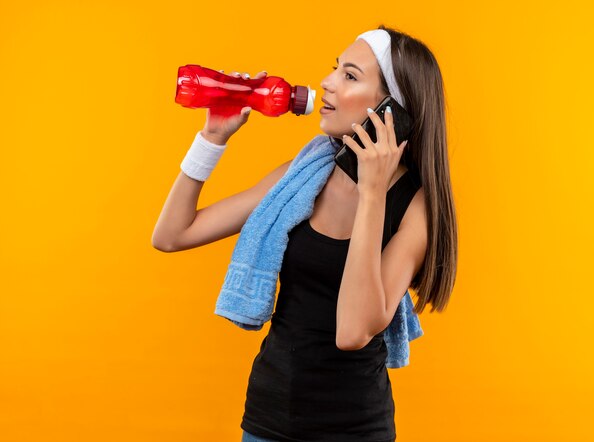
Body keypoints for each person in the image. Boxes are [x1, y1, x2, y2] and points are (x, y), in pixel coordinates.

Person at [152, 24, 457, 442]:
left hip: (354, 429)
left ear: (391, 111)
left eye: (350, 76)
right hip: (267, 419)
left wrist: (372, 194)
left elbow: (352, 332)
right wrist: (212, 139)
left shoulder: (415, 207)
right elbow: (172, 235)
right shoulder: (304, 175)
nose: (327, 83)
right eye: (335, 69)